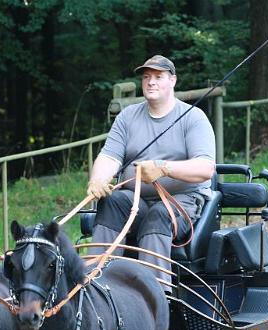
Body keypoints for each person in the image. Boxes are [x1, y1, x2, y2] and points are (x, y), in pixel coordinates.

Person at [87, 55, 216, 288]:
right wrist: (97, 180)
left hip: (182, 200)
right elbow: (109, 156)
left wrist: (164, 169)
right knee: (111, 202)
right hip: (134, 198)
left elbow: (205, 168)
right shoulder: (127, 116)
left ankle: (155, 297)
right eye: (147, 77)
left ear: (173, 81)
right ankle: (95, 286)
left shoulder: (193, 118)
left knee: (158, 215)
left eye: (158, 77)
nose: (151, 82)